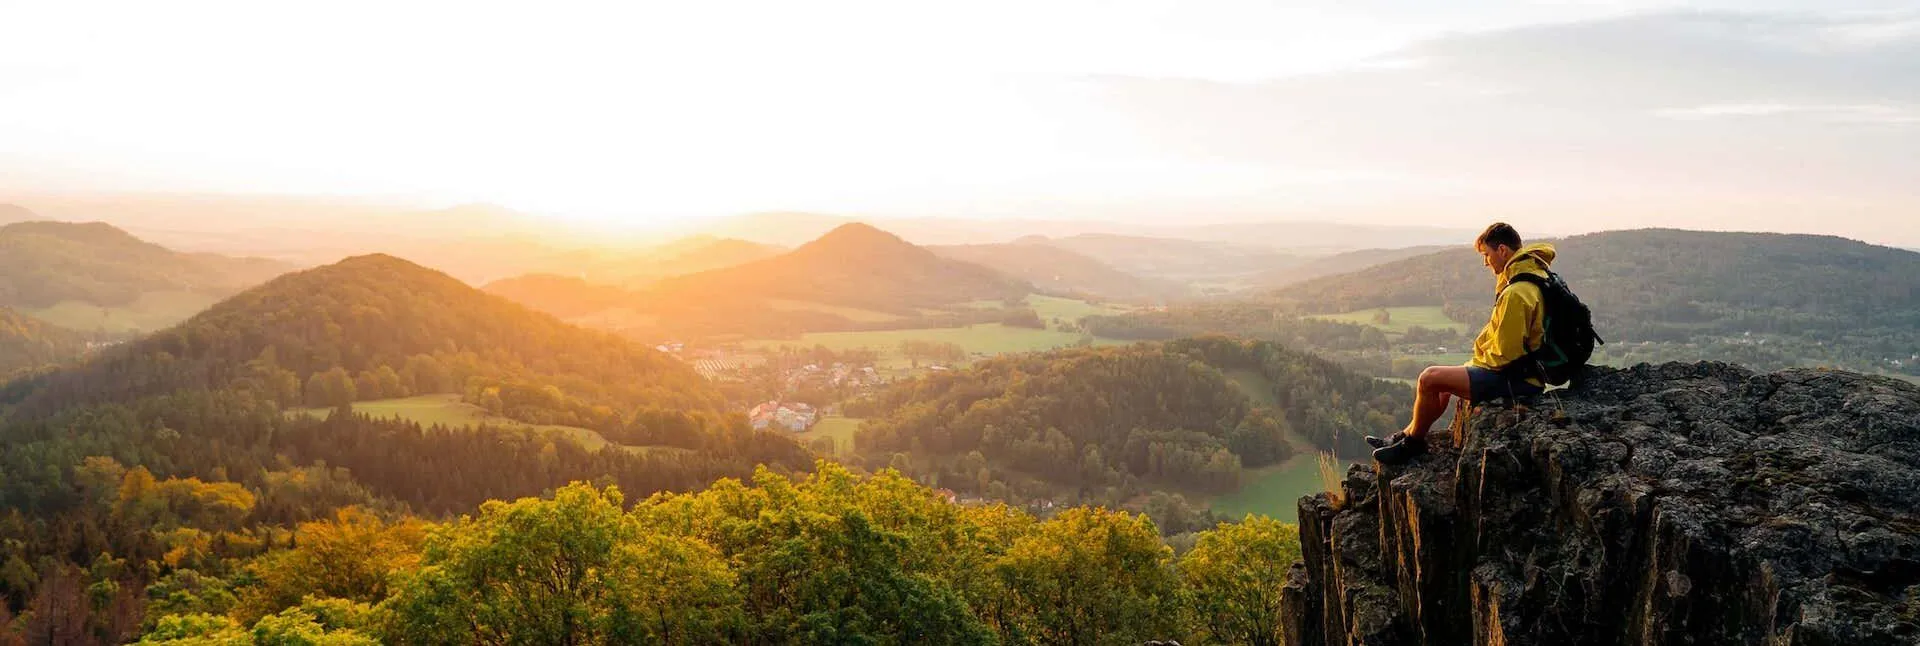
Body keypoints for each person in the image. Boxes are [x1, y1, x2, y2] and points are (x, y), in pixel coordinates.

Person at [1371, 222, 1557, 465]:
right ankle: (1405, 435)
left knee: (1428, 378)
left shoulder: (1517, 292)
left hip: (1518, 381)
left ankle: (1412, 445)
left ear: (1502, 250)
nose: (1485, 263)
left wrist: (1475, 364)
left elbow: (1505, 354)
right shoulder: (1534, 277)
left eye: (1486, 255)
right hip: (1523, 374)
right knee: (1443, 384)